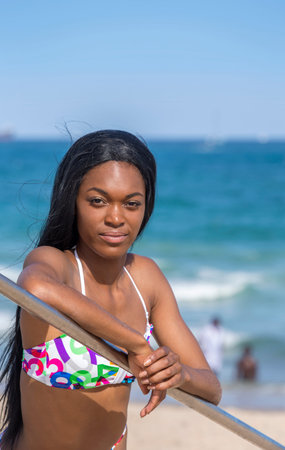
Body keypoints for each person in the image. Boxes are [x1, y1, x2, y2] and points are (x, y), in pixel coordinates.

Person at [0, 130, 221, 449]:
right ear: (72, 200)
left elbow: (211, 388)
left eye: (132, 204)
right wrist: (136, 345)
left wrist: (177, 374)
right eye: (98, 201)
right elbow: (35, 288)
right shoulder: (57, 265)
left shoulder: (145, 278)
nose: (116, 218)